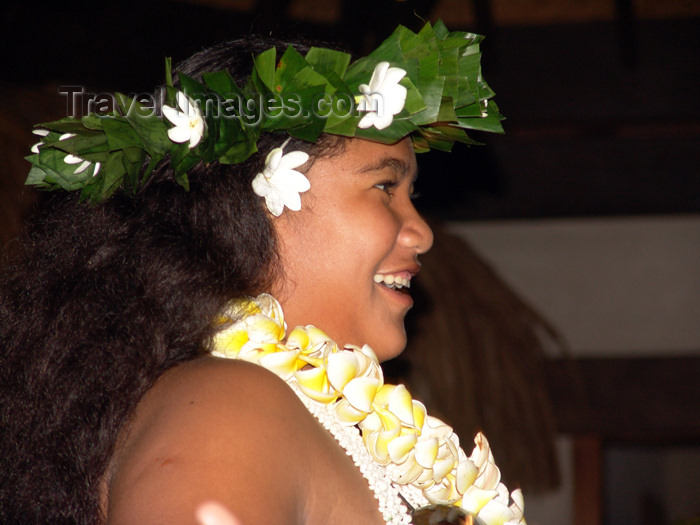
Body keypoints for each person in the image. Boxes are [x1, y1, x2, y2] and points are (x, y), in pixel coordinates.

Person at [0, 22, 524, 525]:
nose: (422, 233)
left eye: (412, 196)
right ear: (261, 199)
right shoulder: (225, 409)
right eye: (386, 187)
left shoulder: (266, 409)